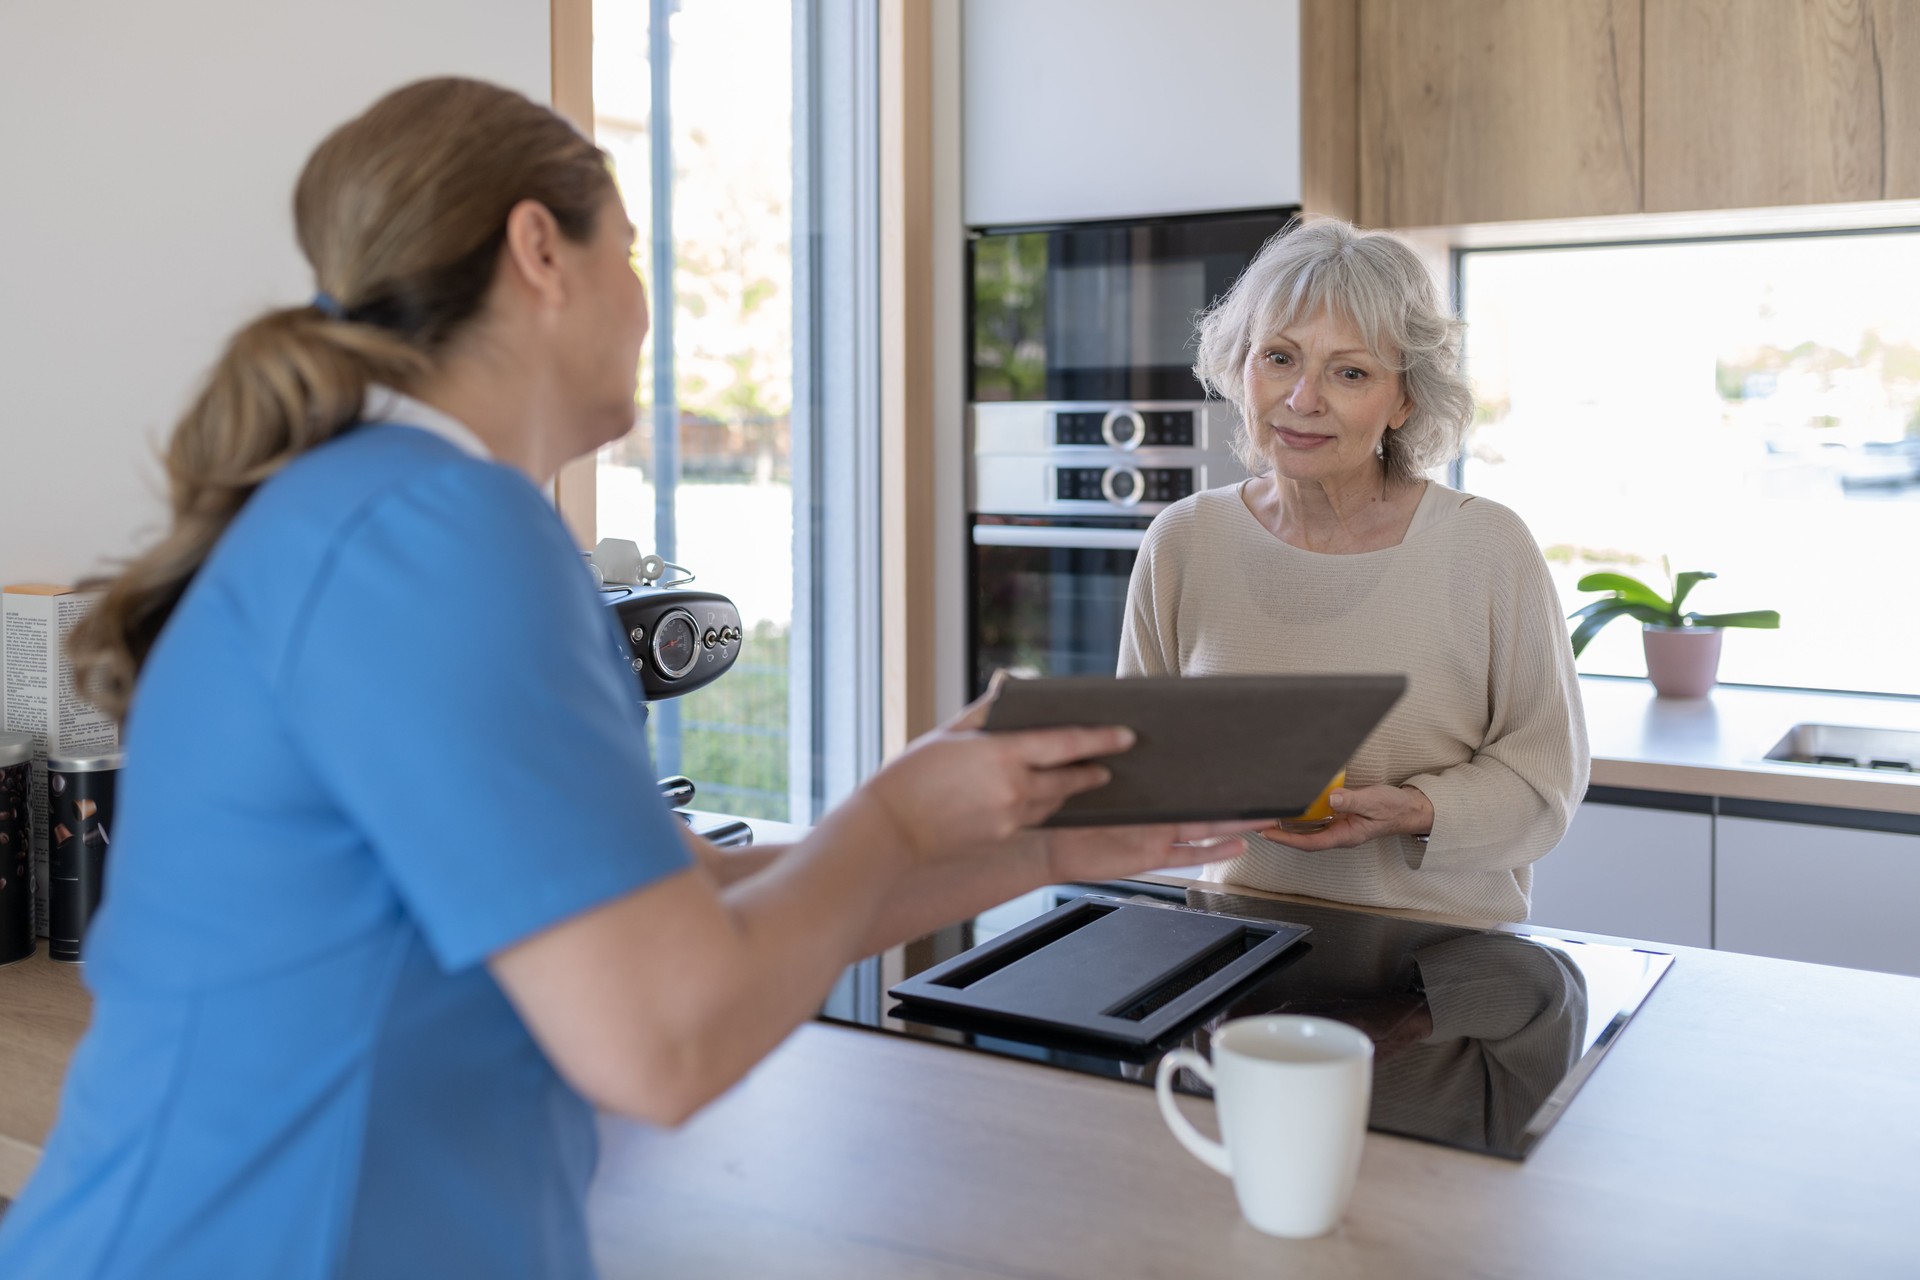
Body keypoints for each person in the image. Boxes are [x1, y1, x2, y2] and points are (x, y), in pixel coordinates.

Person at [0, 79, 1254, 1279]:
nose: (648, 305)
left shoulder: (376, 510)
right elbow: (662, 1037)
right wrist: (901, 812)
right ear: (540, 247)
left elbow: (682, 902)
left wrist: (1035, 852)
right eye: (632, 253)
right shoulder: (442, 531)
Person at [1118, 218, 1588, 922]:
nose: (1303, 399)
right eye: (1278, 357)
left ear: (1404, 400)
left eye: (1350, 372)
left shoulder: (1487, 547)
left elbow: (1544, 786)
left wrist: (1416, 810)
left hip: (1440, 971)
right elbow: (1142, 765)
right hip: (1233, 954)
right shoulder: (1184, 540)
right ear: (1240, 366)